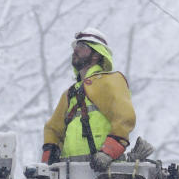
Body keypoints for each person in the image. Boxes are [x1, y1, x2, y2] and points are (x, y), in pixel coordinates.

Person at [42, 28, 136, 171]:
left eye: (82, 47)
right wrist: (47, 164)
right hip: (69, 175)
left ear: (96, 55)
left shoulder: (111, 82)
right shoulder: (70, 94)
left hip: (104, 172)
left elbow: (124, 119)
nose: (76, 50)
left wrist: (108, 153)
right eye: (75, 47)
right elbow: (53, 130)